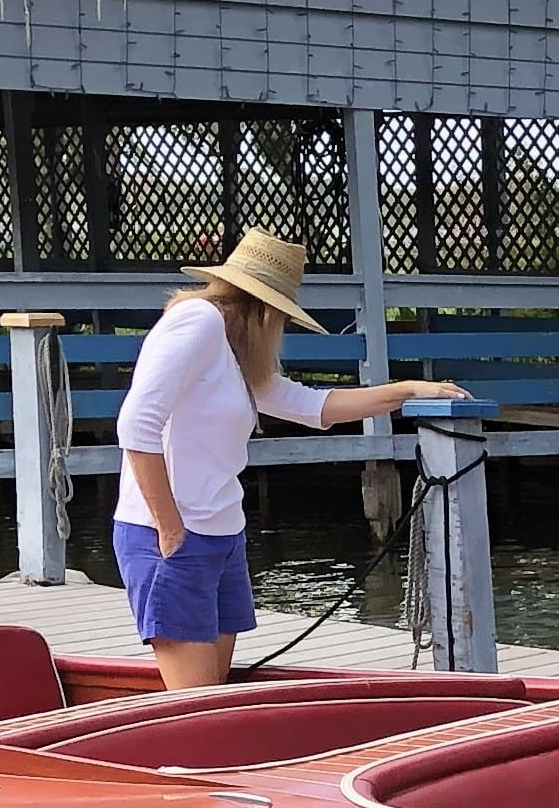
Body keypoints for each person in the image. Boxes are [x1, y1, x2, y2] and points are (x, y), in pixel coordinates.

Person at [114, 228, 468, 690]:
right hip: (171, 537)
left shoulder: (236, 349)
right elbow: (136, 424)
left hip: (222, 536)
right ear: (266, 306)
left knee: (213, 693)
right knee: (194, 706)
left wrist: (406, 392)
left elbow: (313, 407)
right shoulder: (198, 322)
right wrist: (169, 527)